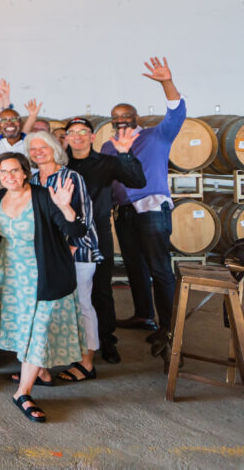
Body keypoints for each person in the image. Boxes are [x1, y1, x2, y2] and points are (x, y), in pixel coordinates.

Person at [0, 152, 87, 423]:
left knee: (40, 327)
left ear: (25, 172)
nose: (8, 176)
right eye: (2, 172)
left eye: (14, 170)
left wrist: (67, 207)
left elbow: (78, 231)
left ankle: (22, 392)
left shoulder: (44, 196)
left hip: (44, 273)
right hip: (10, 273)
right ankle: (41, 372)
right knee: (25, 326)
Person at [101, 57, 185, 360]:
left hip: (152, 209)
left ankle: (169, 328)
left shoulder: (156, 135)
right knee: (135, 266)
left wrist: (166, 82)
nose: (121, 119)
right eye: (116, 116)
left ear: (137, 117)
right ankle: (143, 314)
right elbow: (109, 181)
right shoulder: (109, 146)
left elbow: (177, 112)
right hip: (124, 212)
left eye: (126, 114)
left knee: (160, 268)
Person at [65, 117, 146, 364]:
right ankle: (69, 340)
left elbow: (138, 181)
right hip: (64, 233)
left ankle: (106, 340)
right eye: (72, 132)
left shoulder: (107, 162)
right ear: (66, 137)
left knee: (100, 289)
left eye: (83, 132)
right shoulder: (59, 163)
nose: (77, 136)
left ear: (92, 137)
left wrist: (125, 154)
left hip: (98, 231)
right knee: (67, 289)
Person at [26, 131, 100, 384]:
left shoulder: (71, 177)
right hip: (50, 256)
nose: (38, 152)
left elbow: (85, 218)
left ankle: (87, 363)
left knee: (81, 306)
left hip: (77, 252)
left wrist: (69, 247)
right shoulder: (33, 179)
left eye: (42, 147)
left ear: (54, 148)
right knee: (54, 310)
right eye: (33, 149)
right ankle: (43, 365)